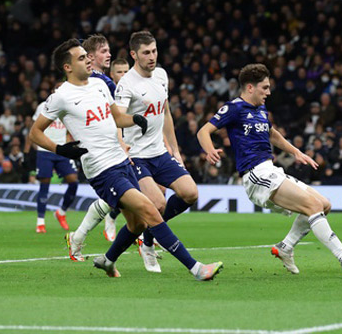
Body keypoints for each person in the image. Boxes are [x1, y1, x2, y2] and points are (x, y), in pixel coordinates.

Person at [30, 39, 222, 280]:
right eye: (81, 58)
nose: (88, 60)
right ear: (67, 67)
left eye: (87, 56)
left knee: (138, 224)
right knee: (150, 209)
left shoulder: (99, 86)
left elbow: (117, 118)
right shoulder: (61, 97)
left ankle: (108, 260)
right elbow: (34, 132)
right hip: (101, 169)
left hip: (122, 160)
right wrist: (60, 149)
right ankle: (197, 269)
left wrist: (135, 120)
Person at [197, 63, 342, 275]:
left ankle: (285, 247)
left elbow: (271, 134)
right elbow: (203, 131)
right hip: (255, 175)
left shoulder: (260, 108)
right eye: (265, 88)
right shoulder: (234, 108)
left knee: (324, 205)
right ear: (250, 87)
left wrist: (296, 151)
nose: (269, 92)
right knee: (313, 205)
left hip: (271, 170)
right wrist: (209, 150)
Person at [114, 31, 198, 273]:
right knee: (158, 204)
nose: (152, 57)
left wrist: (175, 149)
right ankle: (146, 246)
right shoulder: (126, 84)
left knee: (191, 193)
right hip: (136, 155)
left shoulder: (161, 75)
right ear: (133, 55)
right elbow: (116, 118)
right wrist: (122, 146)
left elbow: (166, 112)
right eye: (146, 53)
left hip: (159, 152)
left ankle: (148, 237)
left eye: (154, 51)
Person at [76, 35, 122, 242]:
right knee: (136, 195)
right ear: (91, 57)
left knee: (133, 195)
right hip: (106, 150)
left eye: (109, 50)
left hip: (109, 147)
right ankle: (146, 242)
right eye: (104, 51)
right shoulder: (98, 82)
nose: (109, 54)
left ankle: (78, 237)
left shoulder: (98, 81)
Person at [30, 82, 79, 233]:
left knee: (74, 181)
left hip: (62, 150)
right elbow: (33, 129)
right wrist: (30, 150)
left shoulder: (69, 106)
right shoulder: (42, 106)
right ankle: (40, 222)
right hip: (45, 150)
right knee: (44, 184)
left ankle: (61, 212)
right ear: (52, 92)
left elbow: (72, 128)